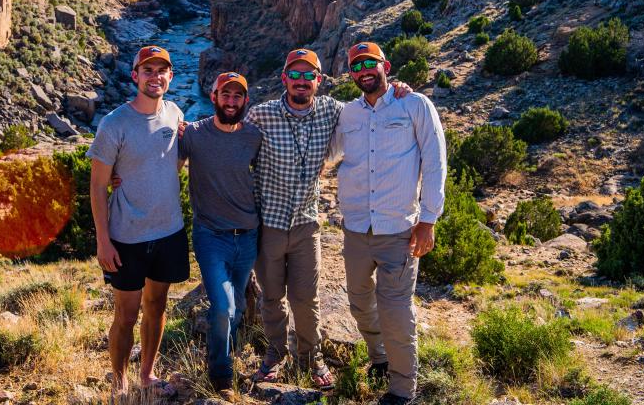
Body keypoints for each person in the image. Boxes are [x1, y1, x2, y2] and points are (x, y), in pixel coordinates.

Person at [248, 48, 412, 390]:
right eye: (295, 75)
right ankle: (275, 354)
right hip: (270, 225)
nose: (302, 82)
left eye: (309, 76)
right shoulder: (260, 116)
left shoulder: (334, 111)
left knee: (307, 299)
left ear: (319, 82)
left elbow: (370, 107)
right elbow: (229, 141)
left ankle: (311, 359)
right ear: (284, 79)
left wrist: (399, 90)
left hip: (307, 224)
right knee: (272, 297)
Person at [333, 41, 447, 405]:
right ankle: (379, 356)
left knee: (396, 309)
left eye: (370, 63)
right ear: (350, 73)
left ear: (386, 65)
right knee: (358, 301)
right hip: (355, 228)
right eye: (356, 66)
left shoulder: (414, 104)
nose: (364, 70)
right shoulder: (347, 114)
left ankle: (402, 388)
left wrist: (428, 219)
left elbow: (434, 162)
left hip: (399, 229)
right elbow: (328, 150)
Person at [88, 45, 188, 399]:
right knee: (126, 314)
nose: (155, 76)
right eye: (147, 70)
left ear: (170, 76)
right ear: (135, 76)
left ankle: (146, 374)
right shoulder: (114, 124)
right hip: (126, 236)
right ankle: (119, 381)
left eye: (162, 70)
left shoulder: (175, 113)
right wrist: (103, 240)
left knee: (157, 306)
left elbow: (172, 161)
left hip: (168, 231)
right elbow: (98, 185)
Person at [178, 71, 262, 402]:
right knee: (224, 305)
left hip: (248, 236)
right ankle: (221, 375)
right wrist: (117, 176)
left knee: (237, 305)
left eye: (237, 95)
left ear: (245, 101)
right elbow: (164, 162)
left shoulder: (254, 136)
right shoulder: (194, 134)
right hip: (211, 235)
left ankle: (225, 350)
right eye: (224, 95)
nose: (230, 101)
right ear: (213, 97)